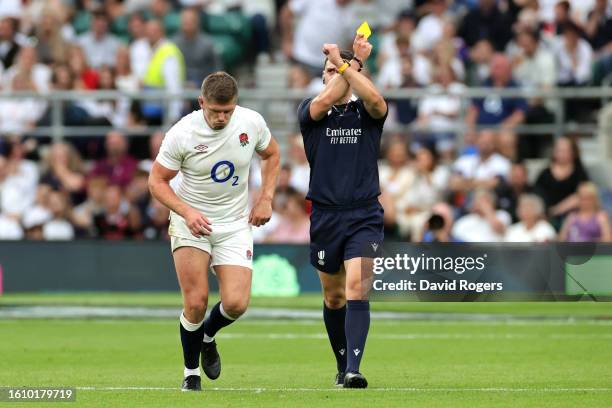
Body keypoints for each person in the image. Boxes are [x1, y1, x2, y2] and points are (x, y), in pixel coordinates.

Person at [148, 72, 280, 391]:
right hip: (191, 221)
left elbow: (272, 154)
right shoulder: (182, 133)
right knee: (195, 302)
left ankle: (207, 335)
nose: (222, 117)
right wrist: (187, 212)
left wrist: (265, 198)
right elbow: (156, 182)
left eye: (228, 111)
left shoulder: (251, 122)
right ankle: (190, 373)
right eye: (215, 111)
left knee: (236, 303)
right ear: (201, 102)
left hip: (234, 223)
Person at [297, 33, 387, 388]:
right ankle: (340, 364)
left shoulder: (367, 111)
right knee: (333, 297)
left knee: (357, 287)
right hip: (326, 215)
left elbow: (376, 98)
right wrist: (350, 63)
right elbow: (329, 98)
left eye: (339, 70)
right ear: (322, 76)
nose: (334, 74)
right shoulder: (310, 110)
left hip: (364, 213)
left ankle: (354, 369)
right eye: (329, 70)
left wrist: (346, 62)